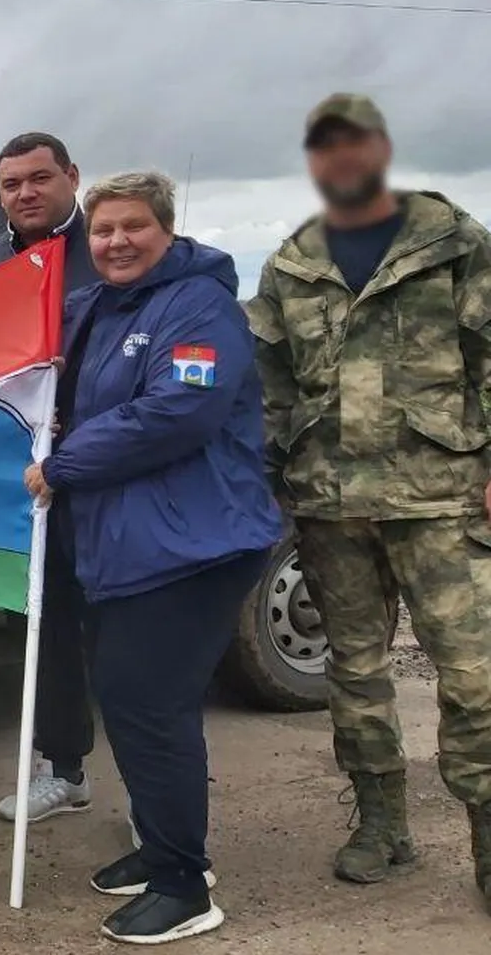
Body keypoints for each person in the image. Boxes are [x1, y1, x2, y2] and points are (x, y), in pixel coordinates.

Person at [248, 94, 491, 909]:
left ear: (380, 150)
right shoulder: (292, 263)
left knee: (474, 673)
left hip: (441, 496)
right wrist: (270, 471)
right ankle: (383, 825)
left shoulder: (451, 242)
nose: (340, 160)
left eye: (354, 145)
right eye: (325, 147)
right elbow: (270, 382)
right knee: (354, 671)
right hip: (330, 503)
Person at [25, 172, 281, 944]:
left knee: (151, 706)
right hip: (125, 546)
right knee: (131, 702)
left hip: (192, 544)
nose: (115, 243)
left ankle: (184, 885)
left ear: (166, 229)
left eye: (133, 227)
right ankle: (166, 851)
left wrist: (64, 461)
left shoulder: (200, 307)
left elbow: (180, 409)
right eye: (102, 231)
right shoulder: (96, 306)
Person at [0, 132, 101, 828]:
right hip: (22, 477)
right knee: (46, 622)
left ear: (71, 177)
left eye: (39, 179)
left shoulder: (111, 254)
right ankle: (63, 768)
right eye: (12, 184)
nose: (25, 194)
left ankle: (159, 794)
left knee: (123, 633)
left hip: (104, 473)